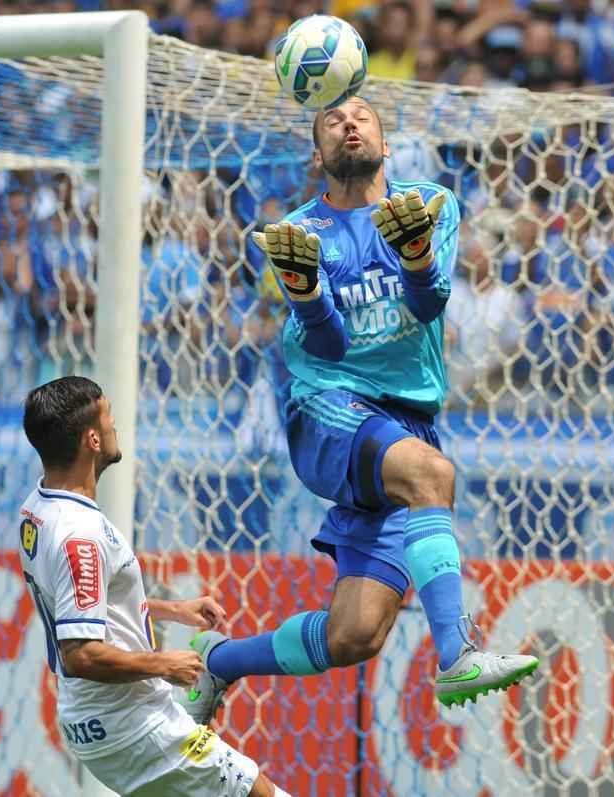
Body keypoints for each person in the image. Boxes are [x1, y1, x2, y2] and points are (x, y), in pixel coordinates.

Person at [184, 96, 538, 727]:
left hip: (406, 420)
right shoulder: (300, 231)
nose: (350, 125)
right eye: (333, 122)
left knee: (356, 634)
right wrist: (308, 297)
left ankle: (220, 661)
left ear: (384, 139)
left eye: (363, 117)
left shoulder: (429, 205)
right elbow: (327, 346)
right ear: (319, 153)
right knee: (432, 476)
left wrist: (418, 256)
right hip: (328, 408)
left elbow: (430, 307)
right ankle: (459, 652)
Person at [17, 376, 290, 797]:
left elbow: (91, 604)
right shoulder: (80, 536)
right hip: (132, 725)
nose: (115, 426)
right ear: (91, 439)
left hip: (102, 720)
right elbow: (82, 655)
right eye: (108, 416)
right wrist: (166, 665)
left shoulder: (37, 509)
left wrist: (171, 610)